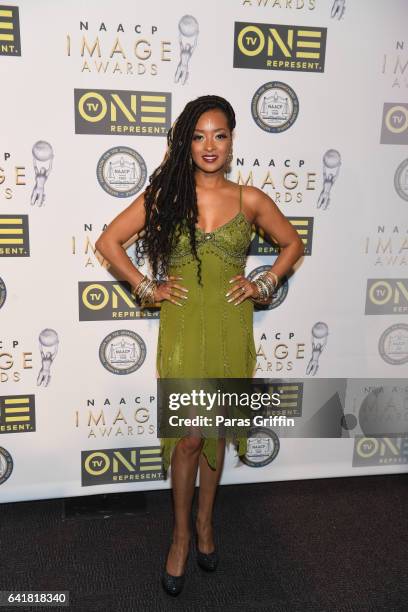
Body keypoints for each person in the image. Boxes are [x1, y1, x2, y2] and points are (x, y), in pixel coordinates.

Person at [95, 95, 304, 596]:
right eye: (199, 135)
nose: (210, 145)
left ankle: (208, 524)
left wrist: (263, 283)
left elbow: (292, 243)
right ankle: (182, 535)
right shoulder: (167, 196)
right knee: (190, 436)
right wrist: (148, 288)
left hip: (232, 327)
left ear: (232, 140)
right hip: (184, 326)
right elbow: (108, 242)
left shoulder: (250, 198)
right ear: (186, 142)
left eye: (220, 135)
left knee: (216, 434)